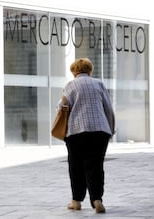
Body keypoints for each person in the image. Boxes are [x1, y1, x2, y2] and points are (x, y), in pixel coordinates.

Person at [59, 58, 115, 213]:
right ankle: (97, 199)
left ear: (74, 71)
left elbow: (63, 106)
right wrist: (110, 129)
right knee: (96, 166)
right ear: (89, 70)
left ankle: (76, 201)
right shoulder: (99, 84)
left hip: (76, 131)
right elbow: (108, 108)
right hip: (100, 130)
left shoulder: (70, 85)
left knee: (76, 166)